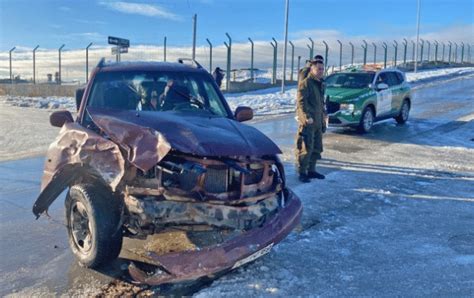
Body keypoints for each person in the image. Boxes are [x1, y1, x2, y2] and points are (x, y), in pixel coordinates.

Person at [295, 55, 327, 183]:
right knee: (305, 148)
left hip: (318, 121)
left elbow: (321, 102)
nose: (321, 71)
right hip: (309, 121)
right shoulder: (306, 83)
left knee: (317, 147)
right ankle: (302, 172)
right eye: (318, 69)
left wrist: (324, 115)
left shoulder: (320, 83)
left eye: (322, 69)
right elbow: (301, 103)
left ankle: (312, 170)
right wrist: (306, 117)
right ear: (312, 70)